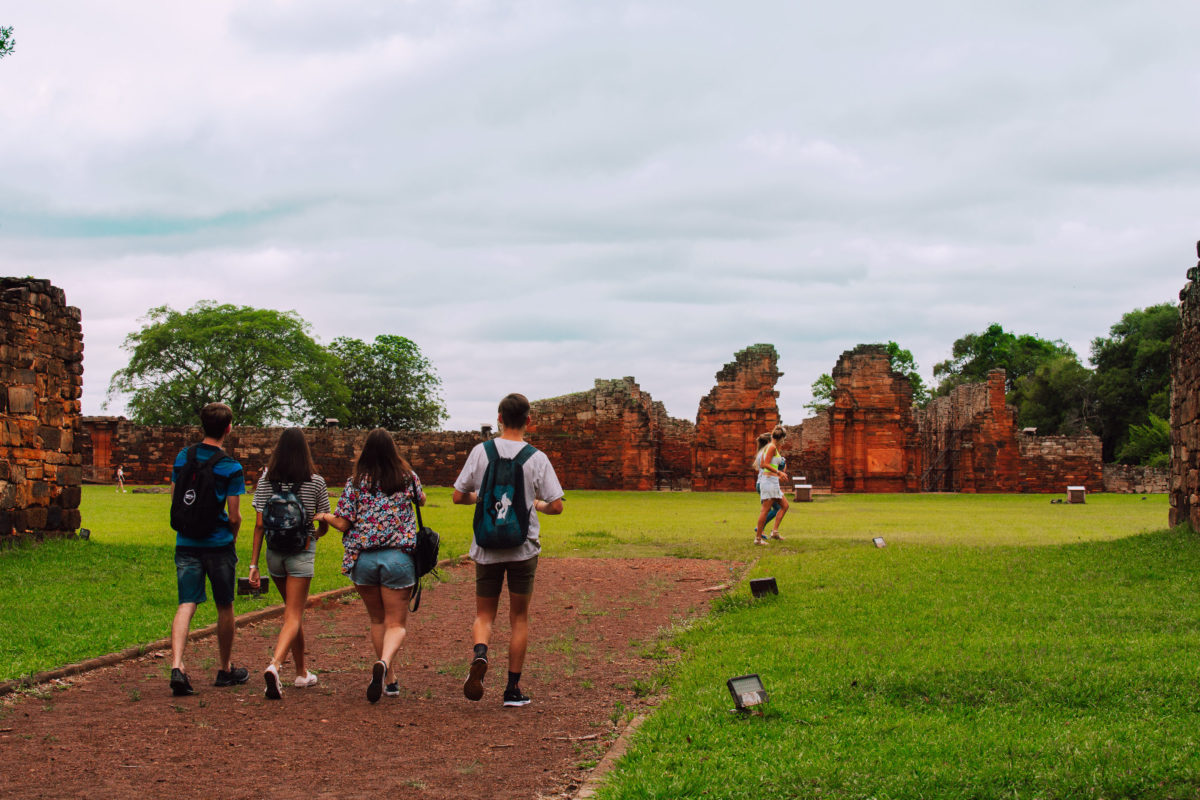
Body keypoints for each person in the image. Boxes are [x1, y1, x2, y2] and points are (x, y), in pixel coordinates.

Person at [452, 393, 564, 708]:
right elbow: (556, 505)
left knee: (484, 614)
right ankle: (512, 690)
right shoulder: (536, 458)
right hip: (523, 547)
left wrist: (482, 497)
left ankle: (480, 653)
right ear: (529, 421)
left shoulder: (480, 452)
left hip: (487, 545)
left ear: (499, 417)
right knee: (519, 618)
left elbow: (458, 496)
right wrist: (535, 504)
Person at [316, 429, 425, 703]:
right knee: (396, 623)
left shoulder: (355, 482)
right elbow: (421, 499)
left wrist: (325, 516)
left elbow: (343, 522)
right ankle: (386, 663)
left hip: (363, 559)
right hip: (398, 558)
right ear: (393, 451)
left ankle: (389, 679)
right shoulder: (406, 477)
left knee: (377, 620)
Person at [168, 402, 249, 696]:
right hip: (218, 544)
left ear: (202, 425)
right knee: (224, 605)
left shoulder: (182, 457)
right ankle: (225, 669)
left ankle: (177, 665)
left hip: (186, 541)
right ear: (229, 428)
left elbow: (176, 497)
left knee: (186, 603)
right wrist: (233, 535)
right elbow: (235, 515)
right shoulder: (230, 466)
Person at [248, 428, 330, 700]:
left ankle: (302, 672)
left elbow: (259, 525)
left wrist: (253, 564)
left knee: (292, 613)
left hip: (274, 554)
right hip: (301, 552)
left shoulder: (266, 481)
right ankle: (275, 665)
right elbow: (323, 521)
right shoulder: (315, 482)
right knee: (293, 615)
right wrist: (317, 534)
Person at [754, 426, 790, 546]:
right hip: (768, 481)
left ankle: (774, 532)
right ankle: (758, 539)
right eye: (784, 439)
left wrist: (780, 471)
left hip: (773, 481)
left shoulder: (774, 447)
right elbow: (764, 464)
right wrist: (779, 472)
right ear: (782, 437)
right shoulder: (771, 447)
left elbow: (774, 463)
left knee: (785, 505)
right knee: (765, 510)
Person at [752, 433, 781, 537]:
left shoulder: (761, 452)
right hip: (765, 482)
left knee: (774, 508)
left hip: (761, 483)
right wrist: (779, 471)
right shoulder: (765, 452)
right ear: (769, 442)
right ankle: (760, 530)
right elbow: (766, 466)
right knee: (773, 509)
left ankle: (763, 531)